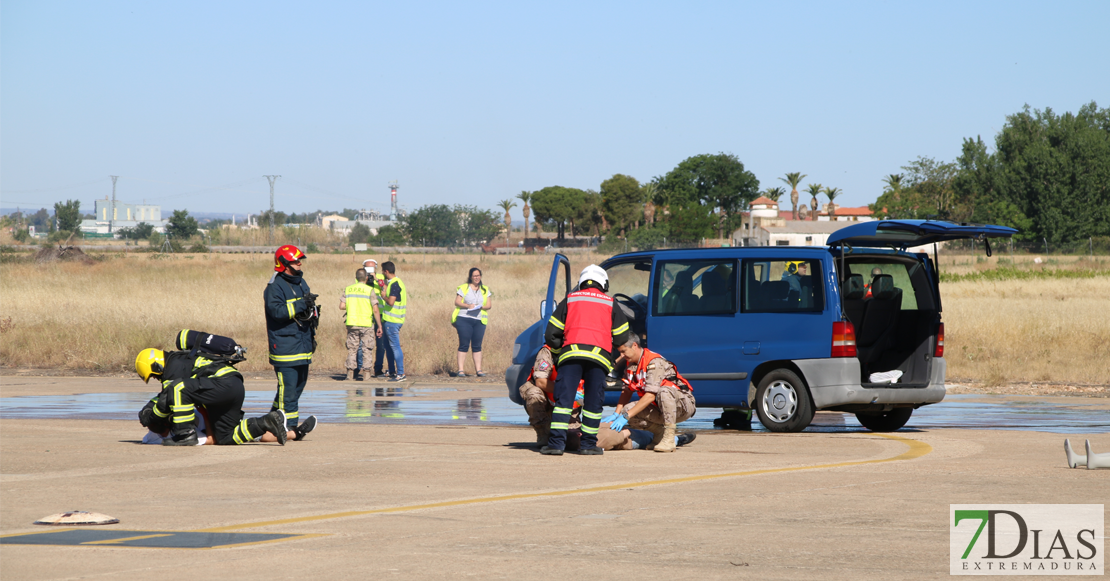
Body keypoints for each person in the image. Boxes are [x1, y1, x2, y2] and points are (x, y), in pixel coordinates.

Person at [134, 340, 297, 447]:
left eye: (155, 375)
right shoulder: (180, 361)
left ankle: (185, 434)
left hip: (222, 384)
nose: (158, 379)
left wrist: (150, 413)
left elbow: (167, 397)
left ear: (157, 366)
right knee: (225, 437)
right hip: (233, 387)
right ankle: (265, 422)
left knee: (177, 388)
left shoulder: (173, 367)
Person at [542, 264, 630, 456]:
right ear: (603, 283)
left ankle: (556, 445)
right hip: (599, 360)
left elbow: (551, 334)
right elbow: (623, 337)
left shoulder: (571, 299)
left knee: (564, 401)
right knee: (593, 402)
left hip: (570, 357)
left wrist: (558, 353)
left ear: (581, 282)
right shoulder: (610, 302)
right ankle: (589, 445)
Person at [607, 335, 697, 453]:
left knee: (663, 391)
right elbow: (627, 391)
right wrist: (616, 414)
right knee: (627, 410)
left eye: (624, 351)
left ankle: (669, 438)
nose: (622, 356)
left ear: (634, 345)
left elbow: (650, 395)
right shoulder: (631, 366)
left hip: (682, 406)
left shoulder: (654, 362)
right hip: (659, 408)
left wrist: (626, 417)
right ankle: (660, 436)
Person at [265, 244, 318, 430]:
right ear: (284, 264)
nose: (299, 264)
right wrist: (301, 304)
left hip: (302, 345)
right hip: (285, 348)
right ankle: (289, 428)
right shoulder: (274, 287)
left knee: (297, 389)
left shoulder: (301, 282)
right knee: (287, 393)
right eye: (295, 261)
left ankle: (269, 423)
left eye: (299, 260)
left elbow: (304, 307)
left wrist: (313, 312)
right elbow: (277, 312)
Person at [341, 268, 383, 380]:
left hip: (352, 324)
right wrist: (379, 325)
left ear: (356, 278)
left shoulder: (348, 289)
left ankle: (350, 374)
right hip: (366, 324)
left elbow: (341, 306)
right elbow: (375, 309)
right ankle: (366, 374)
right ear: (367, 278)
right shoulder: (370, 290)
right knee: (367, 349)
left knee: (352, 349)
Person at [452, 267, 493, 377]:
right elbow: (457, 302)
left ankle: (479, 370)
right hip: (464, 319)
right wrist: (467, 306)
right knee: (464, 344)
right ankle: (461, 370)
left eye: (478, 275)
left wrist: (481, 307)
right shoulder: (464, 288)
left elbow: (489, 305)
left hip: (479, 320)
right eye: (474, 276)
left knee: (477, 345)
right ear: (470, 277)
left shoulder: (485, 289)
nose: (476, 278)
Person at [361, 258, 391, 378]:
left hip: (381, 314)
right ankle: (362, 369)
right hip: (366, 314)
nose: (369, 270)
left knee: (381, 344)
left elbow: (386, 290)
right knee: (364, 345)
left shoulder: (381, 278)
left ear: (376, 268)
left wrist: (377, 279)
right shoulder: (360, 277)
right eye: (367, 268)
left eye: (371, 268)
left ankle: (378, 369)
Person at [377, 260, 407, 382]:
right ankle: (392, 371)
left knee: (395, 346)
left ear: (386, 271)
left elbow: (391, 301)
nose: (382, 273)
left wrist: (383, 296)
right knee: (388, 347)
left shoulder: (395, 284)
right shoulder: (392, 283)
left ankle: (400, 373)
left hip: (393, 321)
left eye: (382, 271)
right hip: (389, 320)